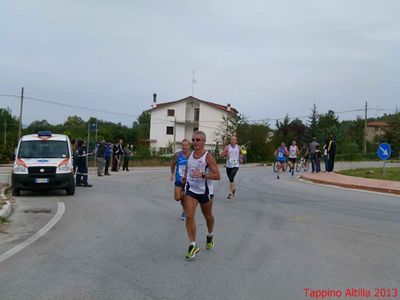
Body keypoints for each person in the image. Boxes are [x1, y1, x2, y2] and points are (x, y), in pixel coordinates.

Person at [183, 131, 220, 259]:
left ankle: (210, 236)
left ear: (204, 141)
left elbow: (217, 175)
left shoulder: (208, 157)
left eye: (198, 140)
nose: (195, 142)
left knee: (208, 216)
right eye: (193, 139)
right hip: (191, 189)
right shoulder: (190, 155)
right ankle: (193, 245)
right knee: (189, 216)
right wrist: (184, 178)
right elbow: (188, 168)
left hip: (205, 191)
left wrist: (204, 175)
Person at [170, 139, 191, 221]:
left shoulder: (192, 155)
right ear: (181, 146)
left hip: (189, 180)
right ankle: (183, 200)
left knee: (186, 197)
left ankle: (184, 212)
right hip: (179, 178)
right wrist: (172, 173)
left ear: (189, 146)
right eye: (183, 145)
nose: (184, 147)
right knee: (177, 198)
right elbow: (173, 163)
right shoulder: (177, 155)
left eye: (186, 145)